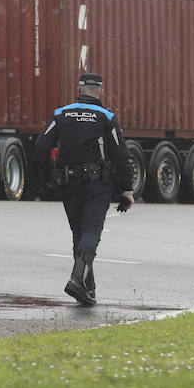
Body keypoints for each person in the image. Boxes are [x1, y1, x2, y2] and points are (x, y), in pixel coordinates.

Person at [33, 72, 136, 306]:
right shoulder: (106, 117)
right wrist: (126, 190)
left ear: (79, 88)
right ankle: (77, 280)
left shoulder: (62, 113)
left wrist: (47, 177)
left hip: (69, 185)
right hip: (96, 185)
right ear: (101, 90)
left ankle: (87, 288)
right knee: (90, 233)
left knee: (78, 235)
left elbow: (41, 145)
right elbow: (121, 155)